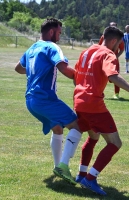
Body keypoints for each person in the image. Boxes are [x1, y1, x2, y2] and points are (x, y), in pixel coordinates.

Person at [73, 26, 129, 195]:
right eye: (120, 44)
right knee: (115, 143)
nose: (119, 48)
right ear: (115, 41)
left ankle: (81, 175)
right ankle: (90, 179)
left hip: (78, 101)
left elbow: (76, 75)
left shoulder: (86, 51)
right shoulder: (109, 54)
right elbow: (113, 76)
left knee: (93, 137)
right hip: (94, 105)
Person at [14, 17, 82, 185]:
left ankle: (57, 166)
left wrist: (34, 71)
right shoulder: (52, 46)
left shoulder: (32, 48)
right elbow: (64, 69)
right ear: (51, 32)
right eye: (59, 32)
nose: (59, 36)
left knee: (58, 129)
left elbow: (18, 68)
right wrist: (82, 78)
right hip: (44, 99)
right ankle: (63, 166)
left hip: (30, 100)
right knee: (76, 126)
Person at [99, 22, 125, 99]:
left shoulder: (119, 38)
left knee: (115, 75)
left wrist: (116, 56)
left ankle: (116, 94)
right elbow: (100, 46)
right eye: (111, 26)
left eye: (115, 27)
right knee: (101, 76)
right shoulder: (104, 37)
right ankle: (99, 92)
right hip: (104, 59)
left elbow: (122, 48)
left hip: (114, 60)